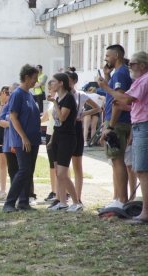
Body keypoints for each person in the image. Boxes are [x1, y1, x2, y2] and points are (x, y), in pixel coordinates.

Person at [98, 51, 148, 222]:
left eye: (133, 64)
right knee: (135, 167)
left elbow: (123, 99)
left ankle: (127, 202)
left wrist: (105, 86)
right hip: (137, 126)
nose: (130, 66)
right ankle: (123, 200)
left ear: (142, 65)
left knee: (137, 168)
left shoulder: (140, 79)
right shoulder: (138, 80)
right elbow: (132, 104)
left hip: (138, 126)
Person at [3, 64, 41, 213]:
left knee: (29, 171)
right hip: (22, 141)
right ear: (26, 77)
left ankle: (24, 202)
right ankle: (9, 203)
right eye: (34, 78)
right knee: (24, 170)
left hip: (33, 140)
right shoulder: (18, 94)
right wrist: (24, 137)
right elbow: (13, 117)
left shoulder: (29, 94)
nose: (35, 82)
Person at [100, 44, 132, 208]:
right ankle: (117, 198)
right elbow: (111, 94)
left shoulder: (120, 73)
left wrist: (110, 126)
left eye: (107, 56)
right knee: (115, 160)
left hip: (117, 122)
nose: (105, 59)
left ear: (116, 56)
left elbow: (118, 100)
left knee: (118, 161)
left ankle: (121, 200)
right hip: (118, 121)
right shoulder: (117, 73)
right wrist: (106, 77)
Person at [46, 73, 82, 212]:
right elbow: (56, 123)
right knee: (57, 173)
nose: (51, 84)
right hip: (57, 137)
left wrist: (54, 103)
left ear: (61, 83)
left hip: (67, 139)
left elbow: (62, 118)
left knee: (62, 174)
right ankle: (62, 202)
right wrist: (51, 140)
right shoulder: (60, 99)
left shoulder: (68, 99)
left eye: (53, 81)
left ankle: (76, 202)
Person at [65, 68, 101, 204]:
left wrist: (83, 114)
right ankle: (64, 196)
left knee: (77, 165)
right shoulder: (61, 95)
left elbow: (98, 108)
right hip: (64, 129)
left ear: (74, 81)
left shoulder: (80, 95)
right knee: (63, 165)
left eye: (67, 80)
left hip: (76, 128)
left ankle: (78, 197)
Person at [41, 80, 58, 202]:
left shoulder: (59, 100)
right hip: (49, 133)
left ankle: (61, 191)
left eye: (51, 88)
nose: (49, 91)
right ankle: (54, 190)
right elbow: (44, 118)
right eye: (48, 89)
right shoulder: (51, 103)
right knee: (52, 165)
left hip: (57, 135)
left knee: (60, 165)